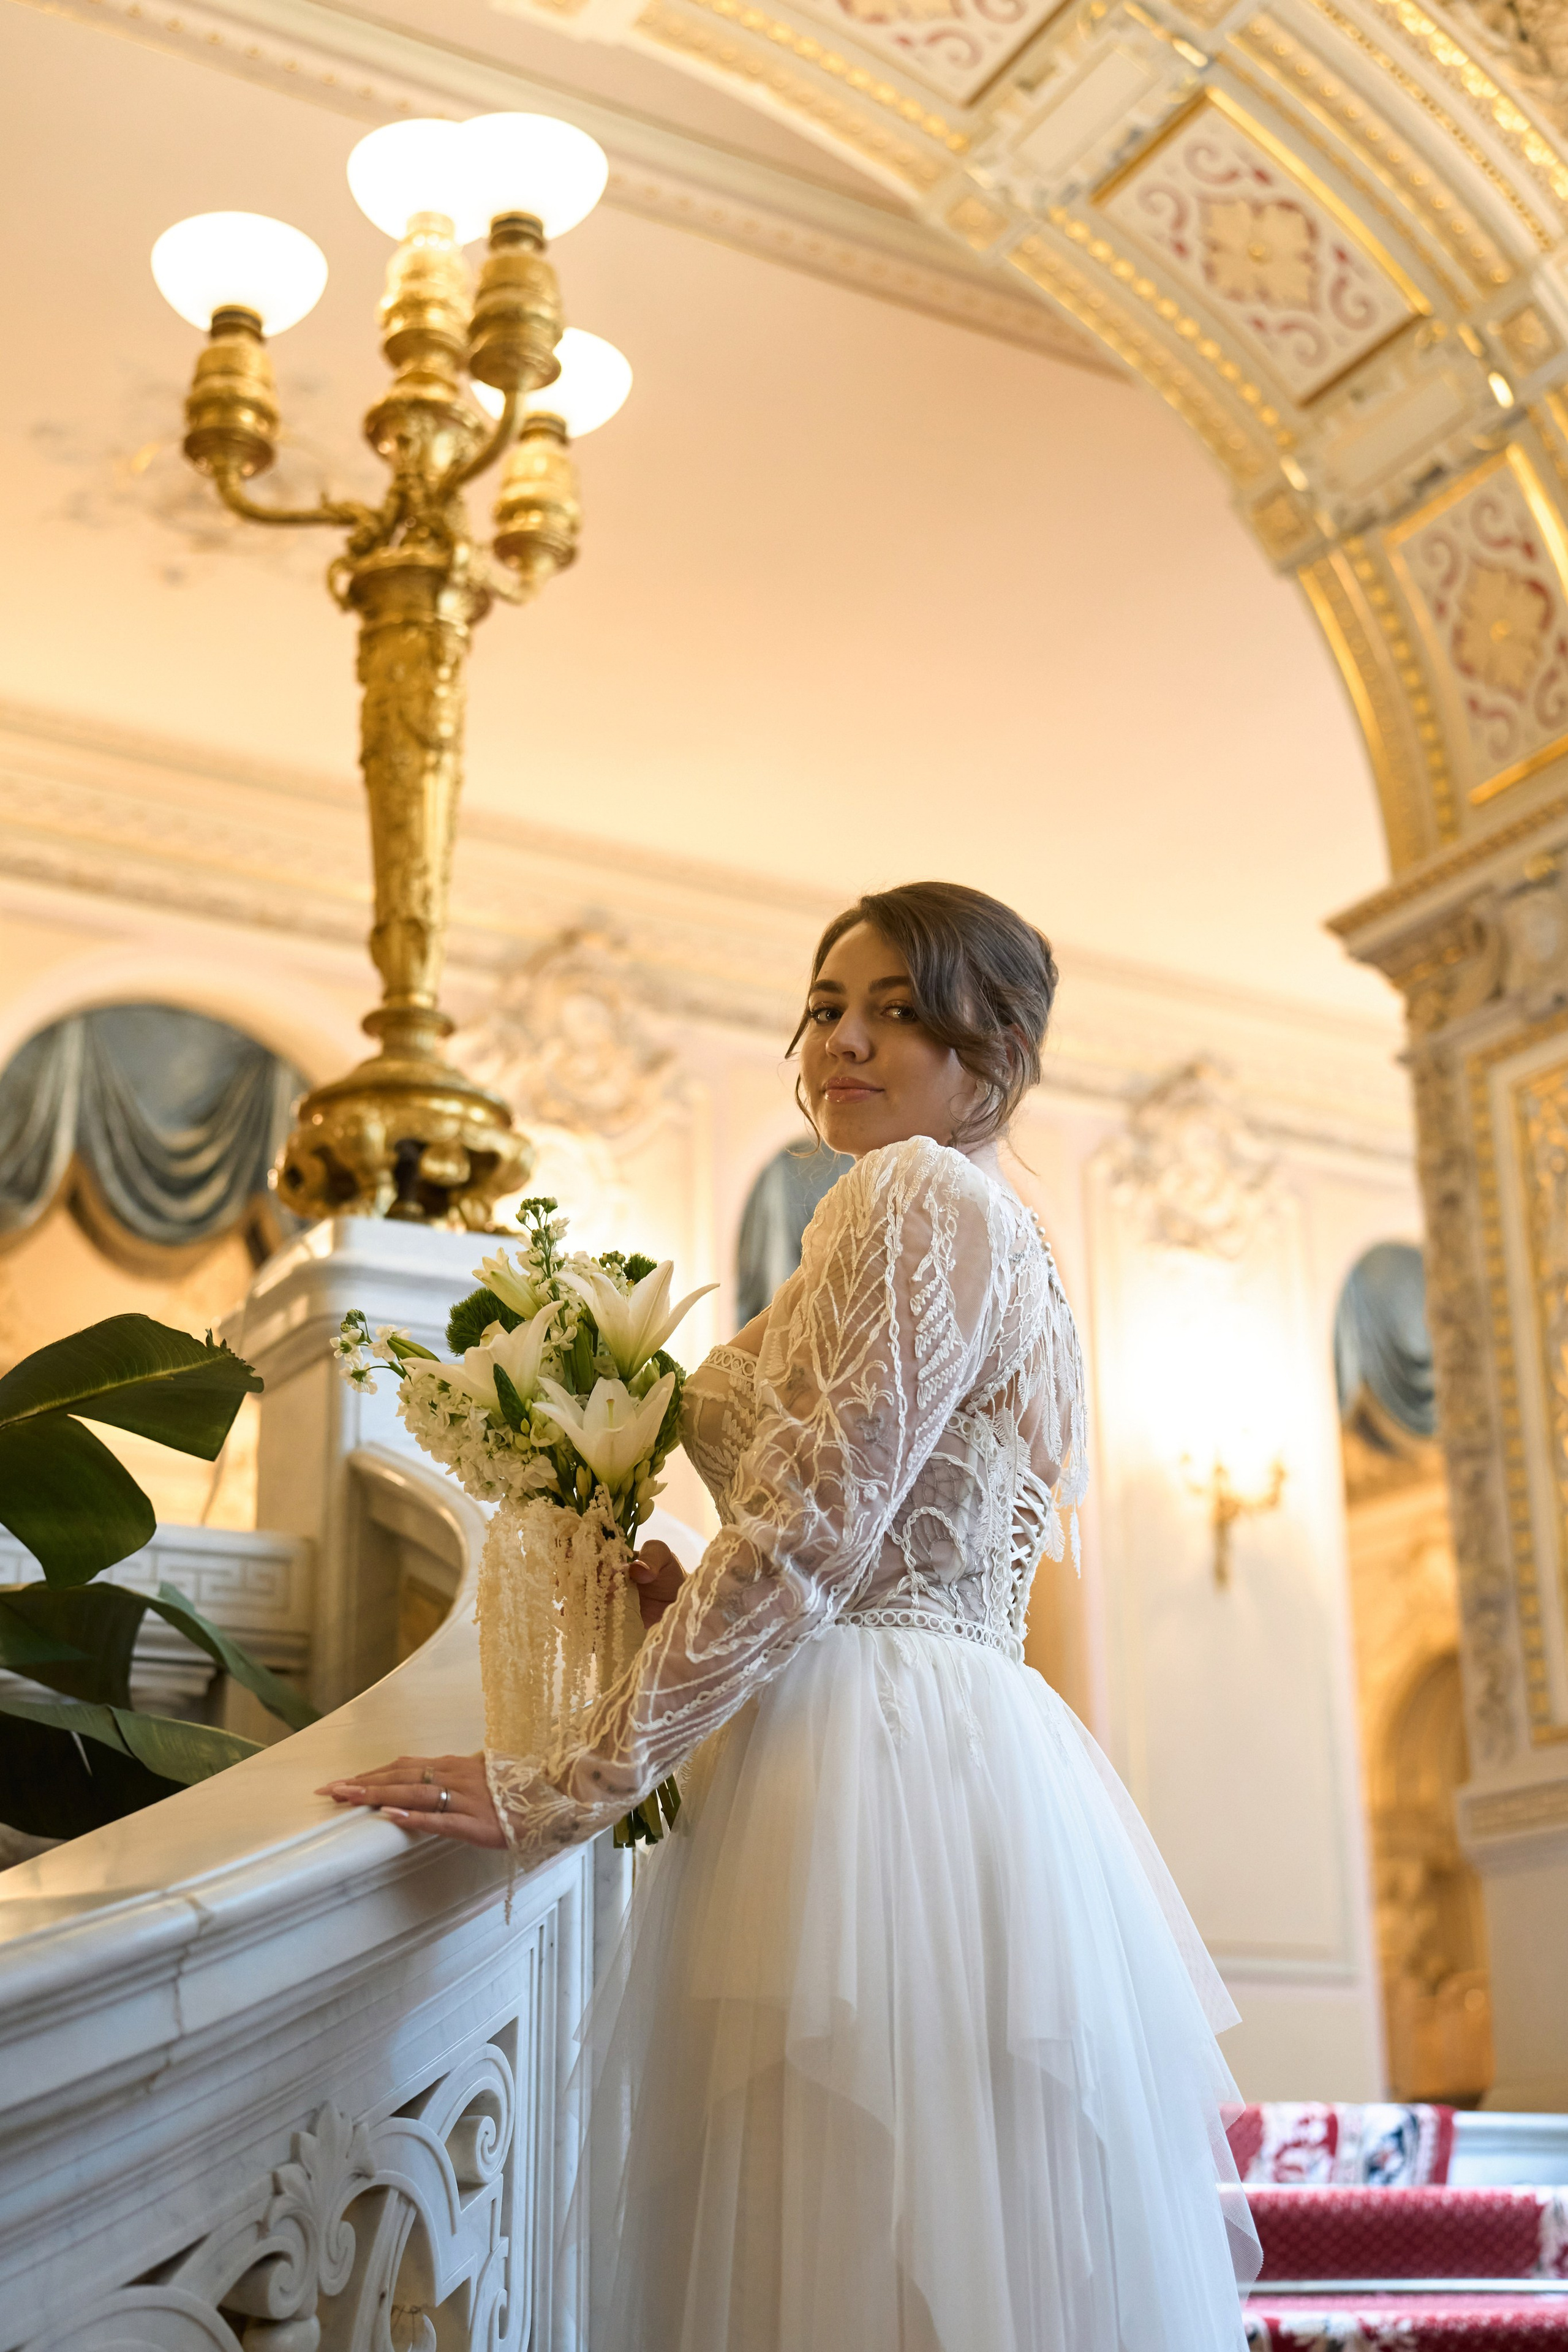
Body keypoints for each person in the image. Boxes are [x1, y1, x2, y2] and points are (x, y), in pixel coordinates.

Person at [321, 880, 1261, 2350]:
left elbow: (818, 1538)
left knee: (841, 2239)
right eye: (827, 1006)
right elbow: (885, 1540)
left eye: (897, 1010)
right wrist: (698, 1598)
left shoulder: (914, 1195)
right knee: (905, 2244)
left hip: (875, 1777)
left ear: (994, 1044)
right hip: (928, 1749)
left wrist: (567, 1783)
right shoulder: (998, 1232)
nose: (844, 1040)